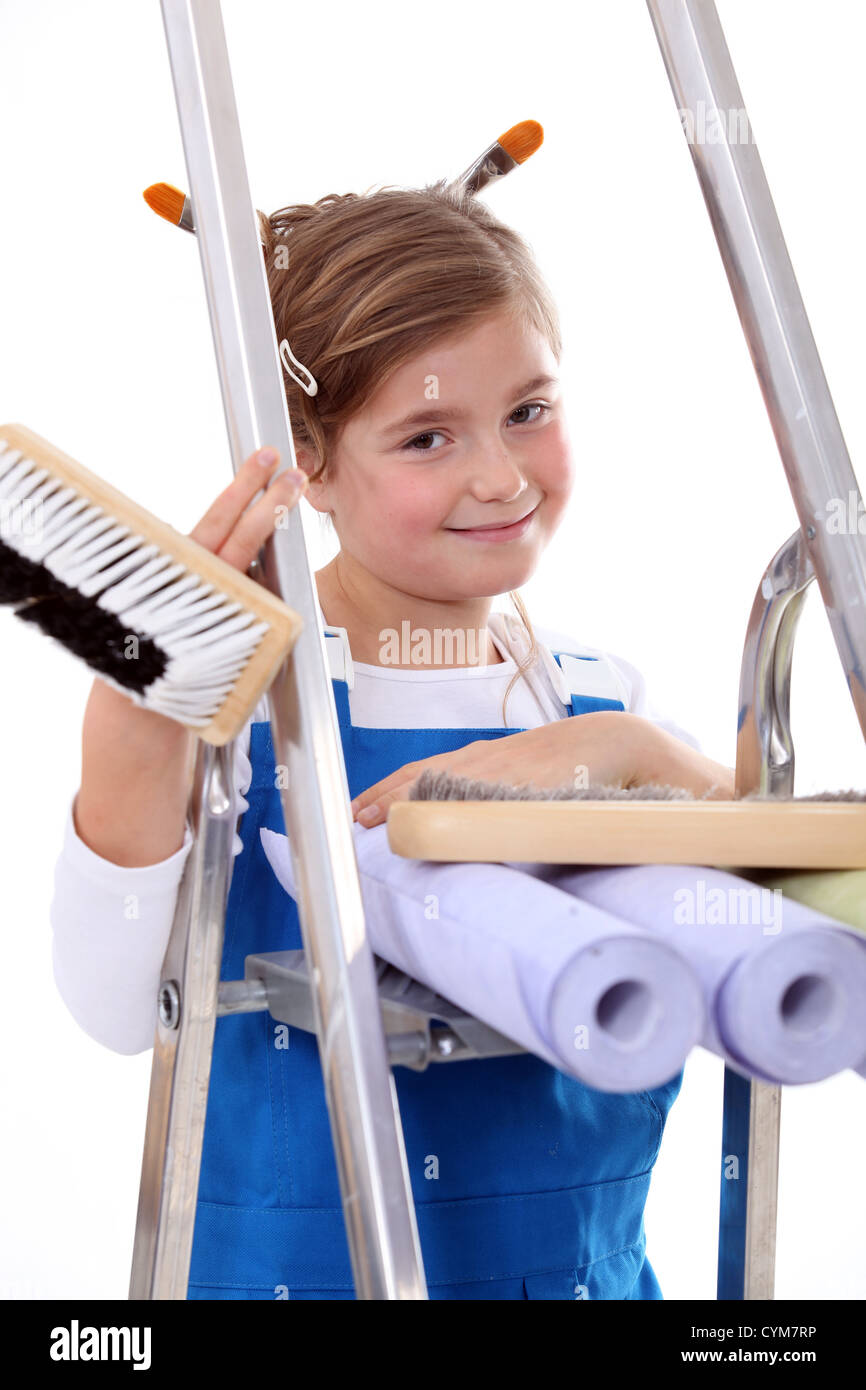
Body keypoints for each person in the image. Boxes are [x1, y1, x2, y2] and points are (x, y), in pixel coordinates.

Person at [50, 180, 734, 1301]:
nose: (501, 477)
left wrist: (644, 757)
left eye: (528, 410)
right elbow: (119, 1011)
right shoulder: (241, 706)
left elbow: (802, 902)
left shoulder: (599, 696)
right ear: (304, 460)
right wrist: (134, 730)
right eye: (426, 435)